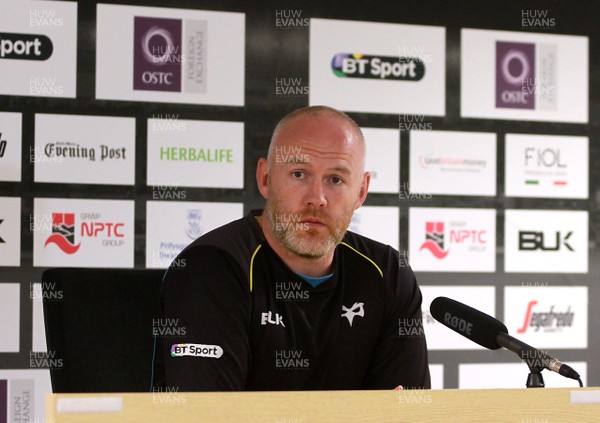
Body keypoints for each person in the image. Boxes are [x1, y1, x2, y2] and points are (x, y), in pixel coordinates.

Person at [152, 105, 430, 391]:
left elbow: (406, 415)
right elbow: (210, 418)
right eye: (299, 174)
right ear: (266, 179)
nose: (317, 198)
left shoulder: (388, 275)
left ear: (361, 191)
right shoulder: (212, 267)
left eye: (335, 179)